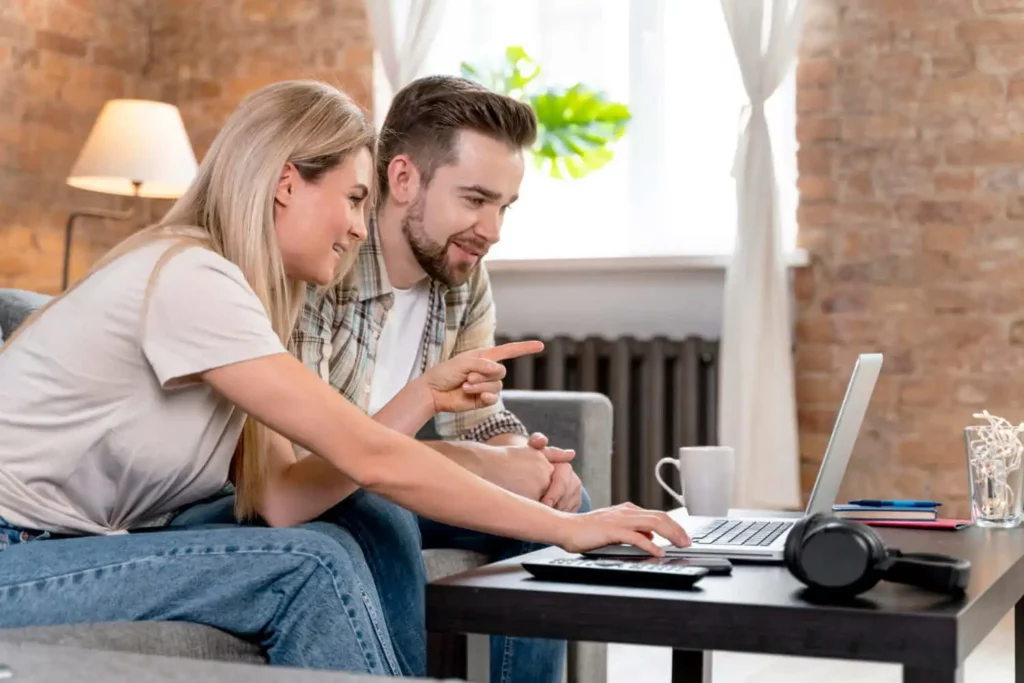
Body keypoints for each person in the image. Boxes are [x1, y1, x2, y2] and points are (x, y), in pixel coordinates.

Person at [0, 79, 690, 678]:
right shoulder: (191, 277)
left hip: (66, 547)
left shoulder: (248, 299)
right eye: (354, 199)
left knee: (318, 544)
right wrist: (563, 526)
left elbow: (286, 500)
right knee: (310, 566)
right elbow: (365, 459)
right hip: (15, 552)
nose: (361, 228)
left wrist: (423, 395)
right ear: (287, 181)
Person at [285, 74, 591, 682]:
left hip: (386, 477)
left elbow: (479, 414)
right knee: (381, 513)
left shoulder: (463, 273)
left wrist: (522, 459)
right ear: (402, 180)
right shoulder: (323, 263)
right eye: (476, 200)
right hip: (325, 486)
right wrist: (480, 465)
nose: (493, 229)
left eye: (504, 206)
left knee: (561, 497)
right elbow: (312, 456)